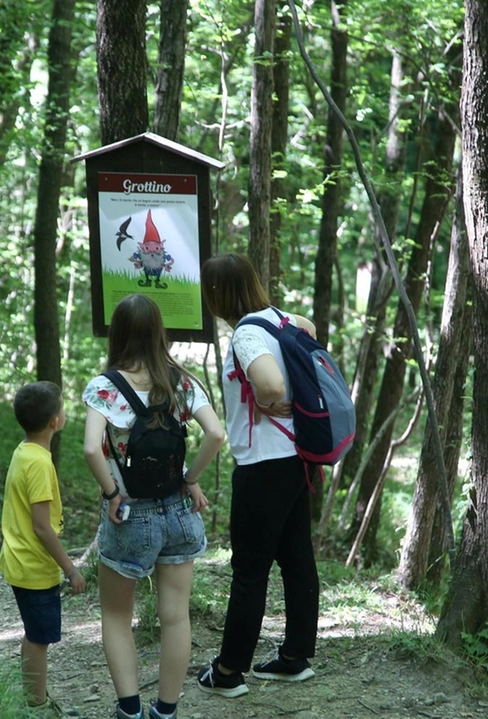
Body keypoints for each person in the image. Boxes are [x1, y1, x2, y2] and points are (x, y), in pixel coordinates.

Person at [82, 294, 226, 719]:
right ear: (159, 331)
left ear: (119, 332)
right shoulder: (181, 381)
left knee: (115, 614)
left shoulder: (105, 386)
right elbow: (216, 434)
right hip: (180, 511)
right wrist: (191, 478)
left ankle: (129, 711)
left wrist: (112, 494)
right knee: (175, 618)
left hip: (131, 516)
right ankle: (165, 712)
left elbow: (91, 447)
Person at [195, 253, 320, 698]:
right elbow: (311, 330)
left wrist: (268, 399)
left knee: (249, 570)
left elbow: (269, 385)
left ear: (216, 294)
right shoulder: (283, 319)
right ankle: (295, 657)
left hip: (263, 466)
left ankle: (229, 671)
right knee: (296, 557)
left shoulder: (247, 332)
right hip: (297, 459)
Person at [0, 381, 88, 717]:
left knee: (35, 635)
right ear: (54, 421)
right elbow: (41, 526)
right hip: (35, 568)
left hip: (22, 562)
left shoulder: (24, 451)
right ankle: (36, 707)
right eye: (62, 408)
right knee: (39, 639)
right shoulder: (39, 463)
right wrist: (71, 569)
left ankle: (34, 699)